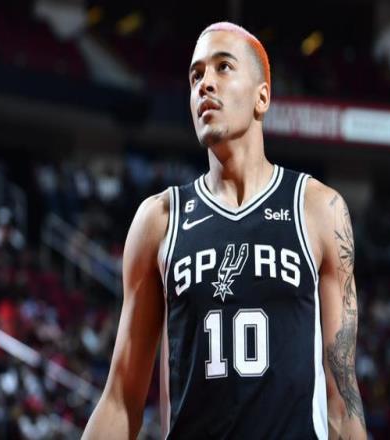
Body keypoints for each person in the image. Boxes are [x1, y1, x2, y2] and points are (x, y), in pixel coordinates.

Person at [82, 22, 366, 440]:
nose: (205, 84)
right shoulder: (159, 220)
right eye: (195, 75)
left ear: (262, 96)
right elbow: (121, 400)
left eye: (223, 67)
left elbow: (342, 399)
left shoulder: (319, 209)